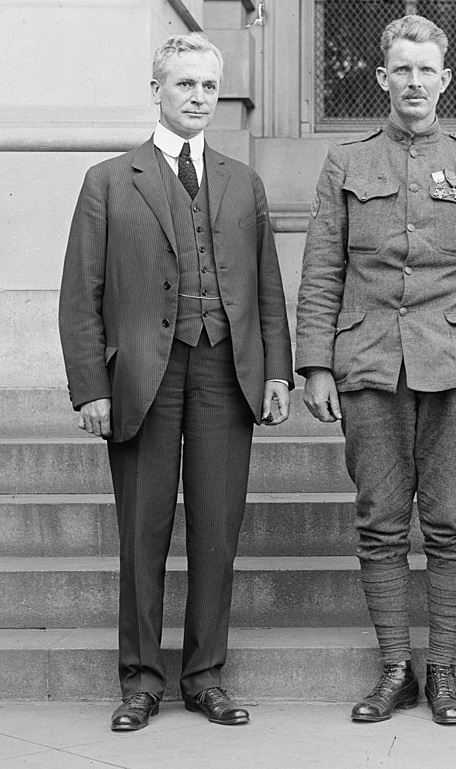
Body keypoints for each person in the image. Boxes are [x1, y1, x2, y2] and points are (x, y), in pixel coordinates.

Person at [295, 14, 456, 726]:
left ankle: (443, 668)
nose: (415, 82)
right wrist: (315, 363)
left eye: (427, 70)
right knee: (381, 522)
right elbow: (322, 270)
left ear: (447, 79)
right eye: (402, 69)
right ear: (383, 78)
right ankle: (396, 667)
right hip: (370, 365)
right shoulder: (346, 162)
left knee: (452, 522)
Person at [58, 33, 294, 732]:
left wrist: (276, 371)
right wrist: (90, 386)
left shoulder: (242, 180)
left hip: (226, 369)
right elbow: (80, 292)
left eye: (208, 86)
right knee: (143, 530)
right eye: (185, 84)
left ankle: (205, 677)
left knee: (217, 531)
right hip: (142, 376)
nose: (198, 97)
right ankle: (139, 681)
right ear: (156, 89)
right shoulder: (109, 180)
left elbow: (268, 287)